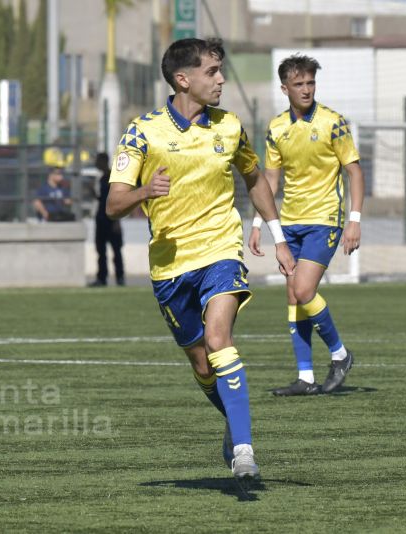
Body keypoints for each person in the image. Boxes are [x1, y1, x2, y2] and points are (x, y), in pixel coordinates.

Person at [107, 38, 295, 483]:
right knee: (201, 363)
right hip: (170, 265)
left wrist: (279, 238)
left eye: (220, 70)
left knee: (218, 337)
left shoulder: (229, 126)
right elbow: (114, 204)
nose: (221, 79)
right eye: (212, 71)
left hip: (220, 250)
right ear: (182, 79)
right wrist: (143, 192)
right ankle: (233, 415)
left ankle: (244, 450)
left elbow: (254, 179)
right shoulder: (142, 131)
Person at [249, 54, 364, 396]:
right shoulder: (276, 128)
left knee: (303, 291)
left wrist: (354, 221)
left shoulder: (333, 122)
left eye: (310, 83)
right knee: (293, 296)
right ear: (284, 88)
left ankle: (341, 355)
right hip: (290, 223)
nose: (306, 89)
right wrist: (257, 222)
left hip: (324, 220)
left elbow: (355, 171)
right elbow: (270, 179)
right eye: (298, 84)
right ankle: (306, 378)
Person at [89, 152, 124, 286]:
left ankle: (120, 277)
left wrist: (116, 221)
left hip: (111, 219)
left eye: (98, 160)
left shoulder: (111, 177)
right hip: (102, 218)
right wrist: (94, 194)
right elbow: (103, 200)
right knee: (101, 250)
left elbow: (114, 200)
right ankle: (102, 278)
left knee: (116, 250)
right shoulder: (103, 177)